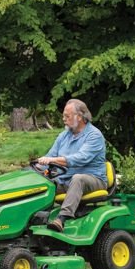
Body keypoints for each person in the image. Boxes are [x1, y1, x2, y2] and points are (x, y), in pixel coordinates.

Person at [37, 99, 107, 232]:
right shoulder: (63, 136)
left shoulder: (94, 135)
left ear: (79, 117)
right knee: (39, 185)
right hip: (65, 179)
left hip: (93, 179)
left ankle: (61, 219)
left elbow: (81, 158)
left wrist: (53, 160)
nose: (63, 119)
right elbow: (50, 156)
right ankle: (32, 219)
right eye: (63, 116)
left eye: (67, 116)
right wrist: (37, 170)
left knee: (78, 178)